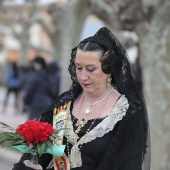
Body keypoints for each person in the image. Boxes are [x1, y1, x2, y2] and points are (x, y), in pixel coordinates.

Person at [12, 27, 150, 170]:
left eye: (91, 69)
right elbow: (41, 153)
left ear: (108, 69)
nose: (83, 77)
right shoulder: (65, 102)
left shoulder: (128, 112)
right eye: (78, 68)